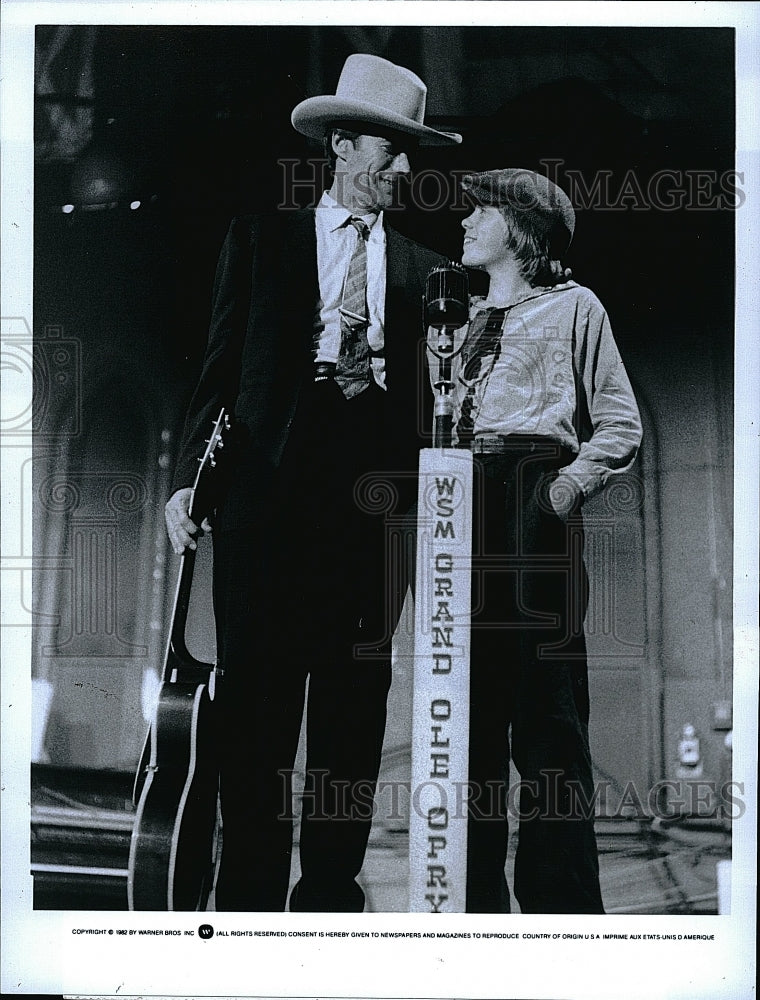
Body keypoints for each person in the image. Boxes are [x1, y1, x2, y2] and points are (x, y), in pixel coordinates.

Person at [164, 54, 461, 912]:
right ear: (340, 144)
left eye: (410, 154)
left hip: (370, 529)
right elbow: (217, 378)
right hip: (264, 511)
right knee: (254, 725)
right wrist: (188, 483)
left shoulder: (425, 272)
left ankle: (330, 901)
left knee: (349, 725)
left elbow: (435, 413)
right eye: (388, 150)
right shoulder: (260, 239)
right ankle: (249, 906)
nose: (403, 170)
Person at [427, 168, 642, 913]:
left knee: (547, 719)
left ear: (519, 230)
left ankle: (561, 915)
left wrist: (563, 489)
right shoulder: (453, 319)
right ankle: (471, 907)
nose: (464, 222)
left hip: (532, 496)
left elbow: (620, 422)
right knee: (466, 718)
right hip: (457, 501)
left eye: (480, 212)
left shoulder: (576, 306)